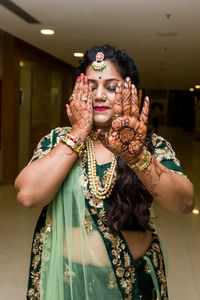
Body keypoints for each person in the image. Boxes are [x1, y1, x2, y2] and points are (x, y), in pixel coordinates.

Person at [15, 45, 194, 300]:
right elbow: (27, 196)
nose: (99, 95)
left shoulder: (150, 145)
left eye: (111, 86)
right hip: (69, 282)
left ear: (131, 92)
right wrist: (77, 133)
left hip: (132, 283)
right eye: (90, 86)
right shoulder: (59, 140)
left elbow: (184, 203)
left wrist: (138, 158)